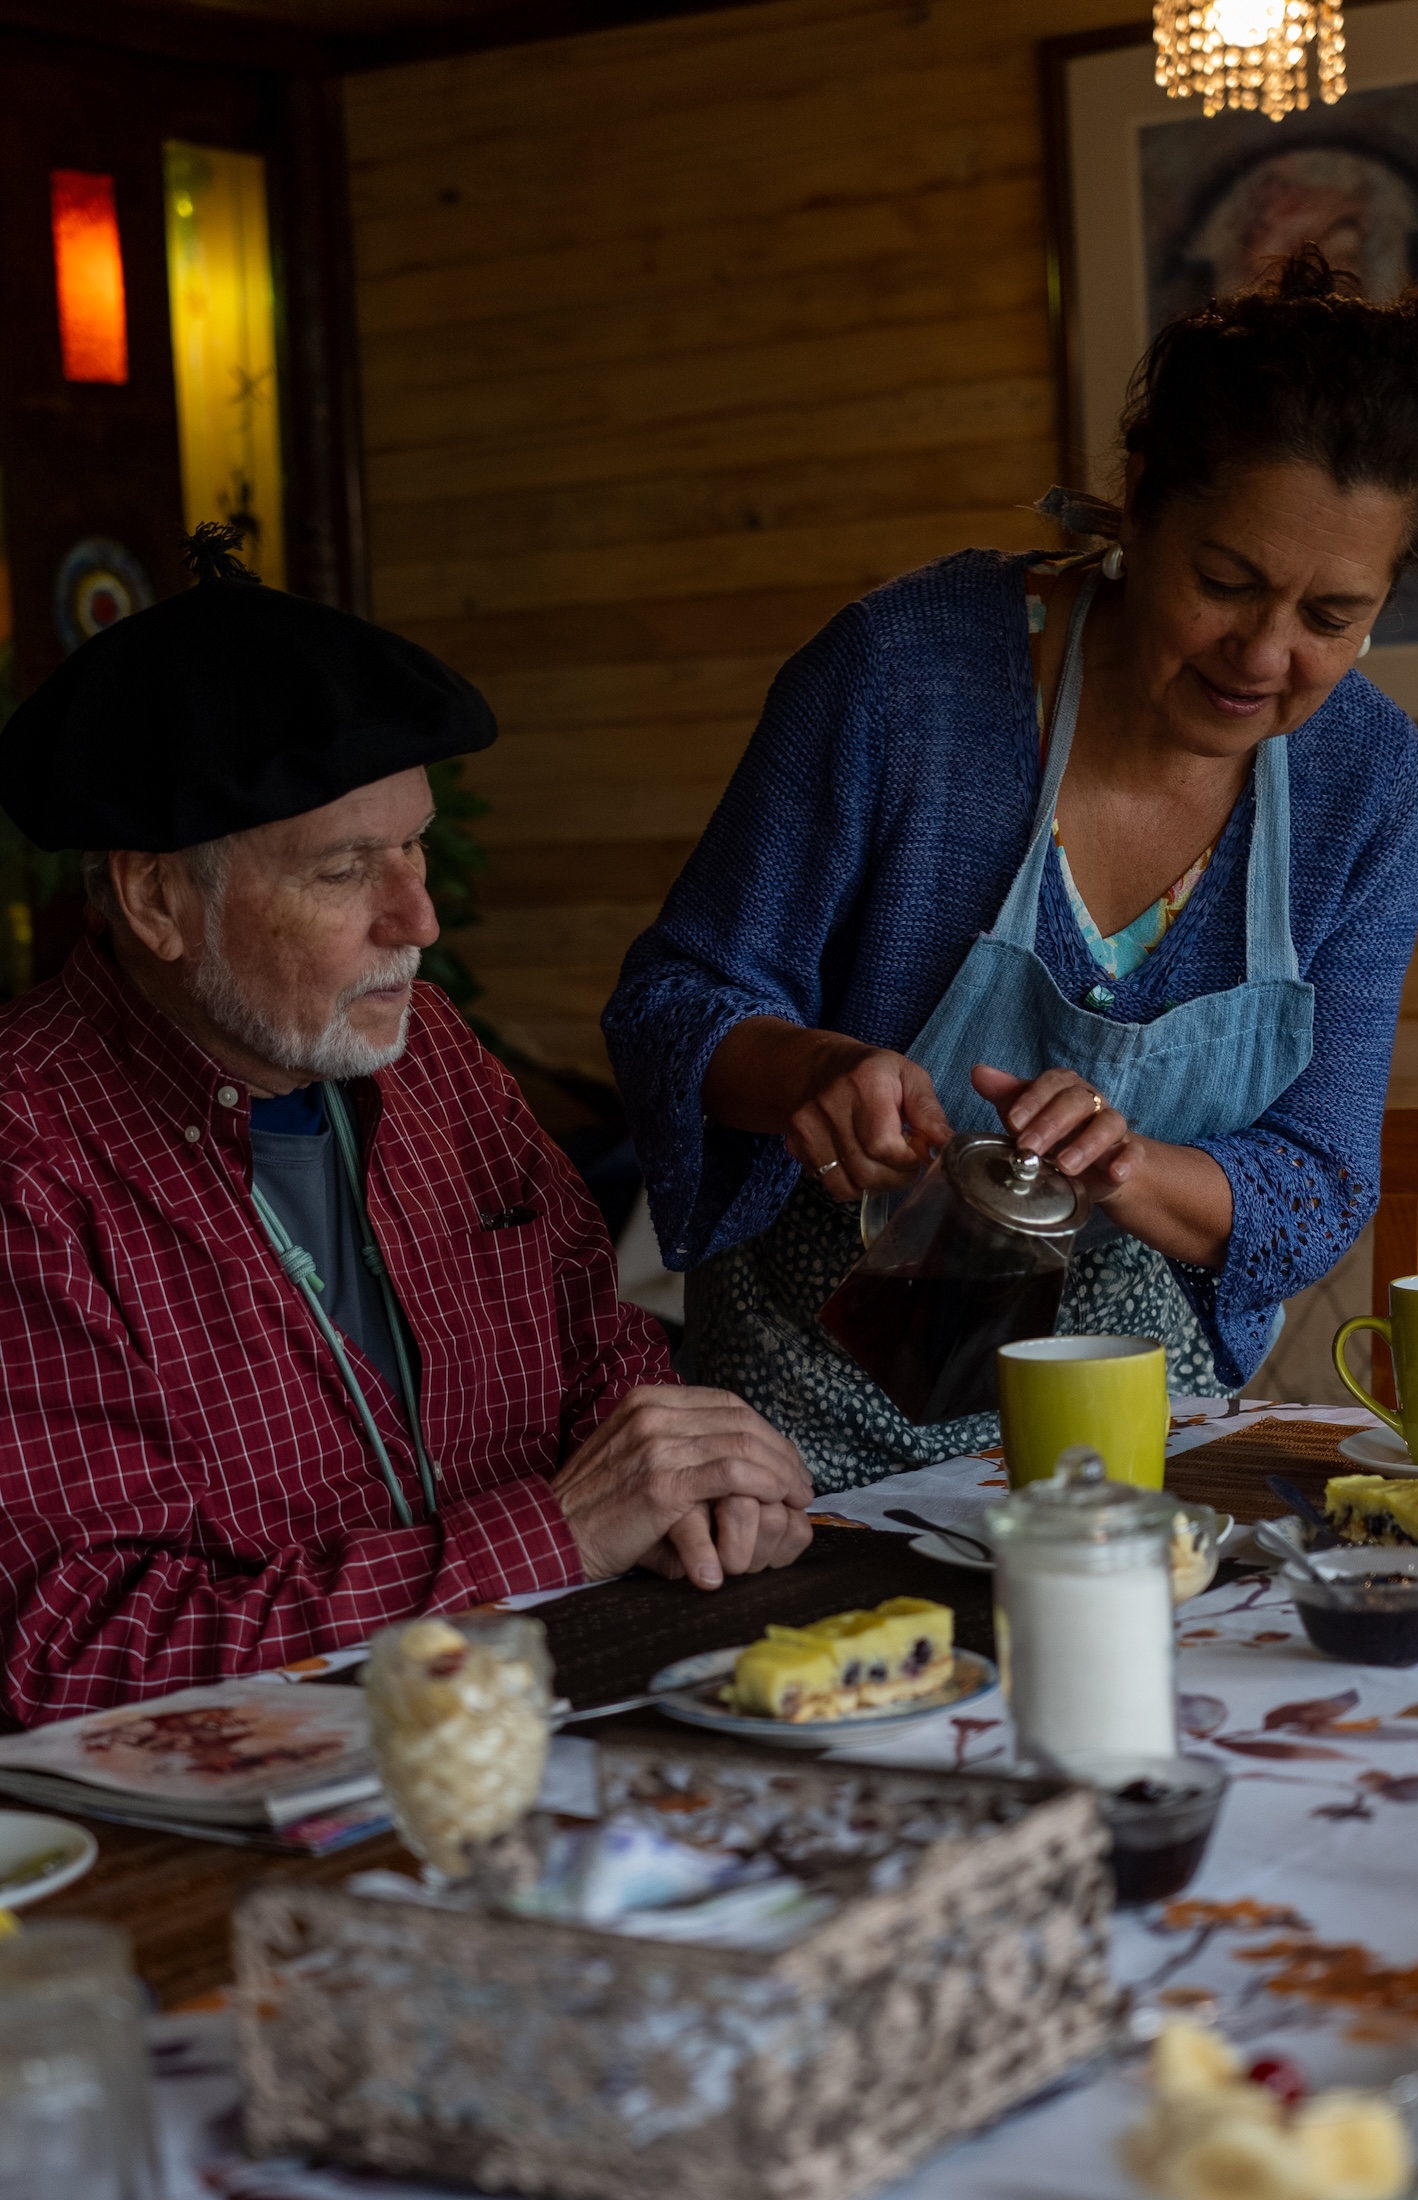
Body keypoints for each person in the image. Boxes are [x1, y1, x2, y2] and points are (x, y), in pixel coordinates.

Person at [604, 250, 1418, 1488]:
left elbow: (1319, 1176)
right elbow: (671, 1002)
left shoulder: (1363, 779)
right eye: (1223, 582)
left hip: (1136, 1433)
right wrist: (816, 1065)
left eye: (1329, 617)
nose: (1263, 654)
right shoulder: (901, 678)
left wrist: (1127, 1164)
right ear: (1136, 505)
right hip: (806, 1424)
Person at [0, 528, 811, 1725]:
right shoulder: (28, 1164)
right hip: (229, 1825)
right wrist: (549, 1536)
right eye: (342, 872)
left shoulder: (424, 1052)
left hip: (551, 1719)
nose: (417, 917)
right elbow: (77, 1651)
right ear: (156, 897)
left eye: (414, 846)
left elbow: (596, 1352)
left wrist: (689, 1478)